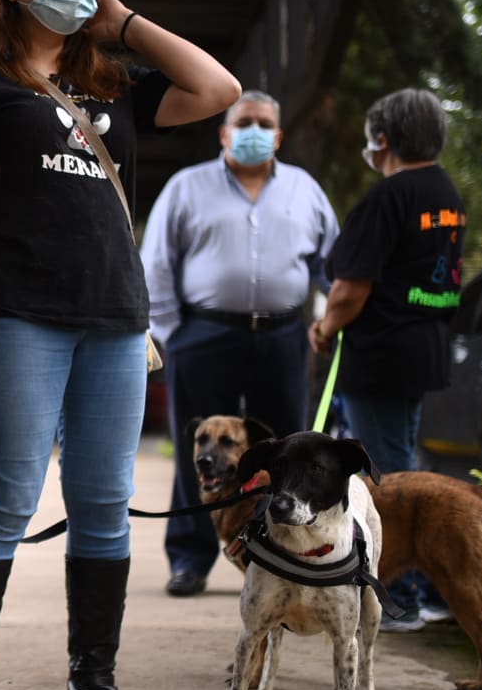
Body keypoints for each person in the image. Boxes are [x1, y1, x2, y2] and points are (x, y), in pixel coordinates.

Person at [0, 0, 240, 690]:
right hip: (16, 314)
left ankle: (92, 683)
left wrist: (123, 23)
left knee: (103, 502)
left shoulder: (116, 85)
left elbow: (218, 88)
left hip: (115, 320)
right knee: (11, 490)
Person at [141, 90, 340, 597]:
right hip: (204, 334)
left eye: (264, 122)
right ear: (224, 133)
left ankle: (287, 551)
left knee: (288, 451)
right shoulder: (187, 187)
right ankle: (190, 558)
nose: (254, 129)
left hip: (282, 336)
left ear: (278, 135)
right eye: (244, 121)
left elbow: (330, 263)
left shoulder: (304, 190)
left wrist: (327, 318)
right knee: (205, 453)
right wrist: (171, 334)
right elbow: (157, 261)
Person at [308, 87, 463, 631]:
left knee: (387, 480)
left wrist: (325, 328)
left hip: (381, 354)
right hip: (425, 348)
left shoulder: (387, 197)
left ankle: (400, 598)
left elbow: (350, 289)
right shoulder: (446, 194)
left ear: (383, 138)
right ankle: (424, 586)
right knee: (406, 465)